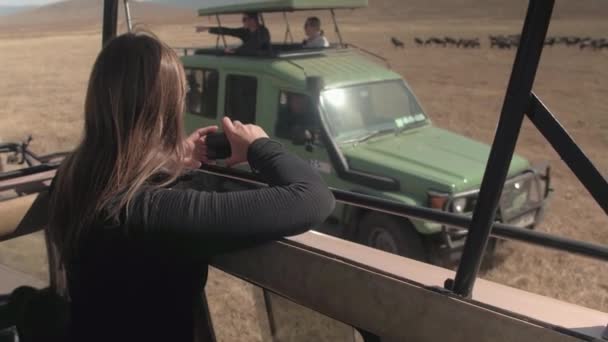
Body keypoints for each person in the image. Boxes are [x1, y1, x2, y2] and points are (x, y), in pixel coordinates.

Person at [48, 31, 334, 342]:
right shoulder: (154, 213)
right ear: (166, 112)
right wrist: (259, 146)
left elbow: (121, 166)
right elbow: (313, 197)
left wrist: (169, 156)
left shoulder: (70, 178)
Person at [196, 12, 271, 55]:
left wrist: (235, 50)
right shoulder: (245, 31)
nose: (242, 21)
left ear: (253, 20)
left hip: (261, 59)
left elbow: (252, 45)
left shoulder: (263, 32)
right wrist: (208, 28)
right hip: (248, 58)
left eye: (244, 19)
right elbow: (229, 31)